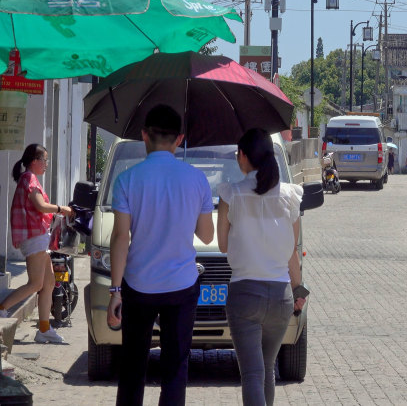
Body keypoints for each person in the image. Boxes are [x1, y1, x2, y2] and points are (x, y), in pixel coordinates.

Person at [107, 105, 214, 406]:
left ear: (144, 135)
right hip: (181, 285)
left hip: (138, 284)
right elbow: (207, 235)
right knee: (176, 366)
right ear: (179, 139)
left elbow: (120, 237)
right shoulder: (197, 180)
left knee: (132, 365)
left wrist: (116, 291)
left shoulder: (127, 180)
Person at [216, 129, 306, 406]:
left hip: (245, 294)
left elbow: (222, 245)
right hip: (281, 297)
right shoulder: (290, 195)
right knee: (267, 369)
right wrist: (298, 288)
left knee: (252, 373)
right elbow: (292, 249)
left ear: (242, 156)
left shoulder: (231, 194)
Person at [0, 144, 72, 344]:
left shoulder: (29, 179)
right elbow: (40, 206)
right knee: (36, 283)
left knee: (48, 283)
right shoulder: (29, 179)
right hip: (34, 238)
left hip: (38, 237)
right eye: (45, 160)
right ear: (35, 161)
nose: (46, 164)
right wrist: (61, 209)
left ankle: (44, 329)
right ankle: (2, 310)